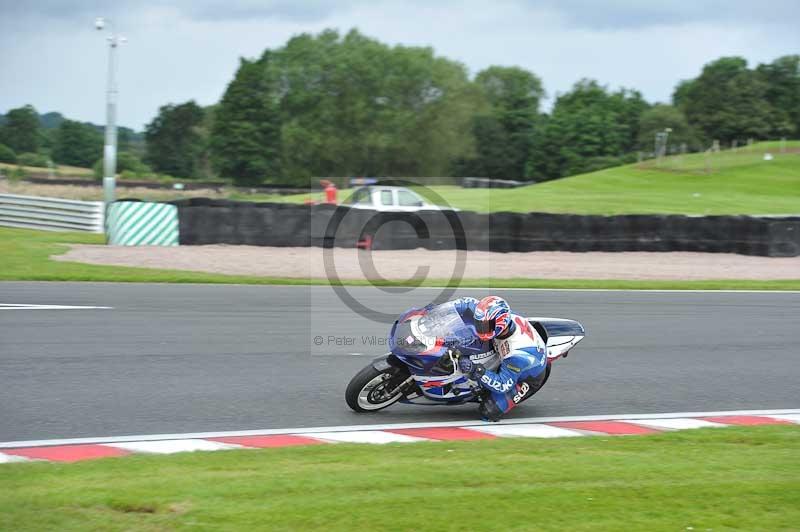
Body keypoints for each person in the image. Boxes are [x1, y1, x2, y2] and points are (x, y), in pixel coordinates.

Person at [452, 296, 549, 421]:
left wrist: (475, 370)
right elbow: (464, 306)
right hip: (511, 354)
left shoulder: (516, 355)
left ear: (499, 324)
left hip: (527, 378)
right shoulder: (502, 319)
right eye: (479, 323)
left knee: (488, 411)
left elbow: (503, 384)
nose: (480, 328)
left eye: (484, 325)